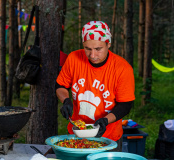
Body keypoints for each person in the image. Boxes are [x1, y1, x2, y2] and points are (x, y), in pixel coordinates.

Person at [56, 21, 135, 151]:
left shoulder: (122, 68)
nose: (92, 55)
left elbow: (125, 105)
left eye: (98, 49)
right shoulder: (74, 58)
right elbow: (60, 85)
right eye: (88, 49)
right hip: (77, 134)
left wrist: (105, 121)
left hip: (109, 137)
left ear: (108, 44)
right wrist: (66, 100)